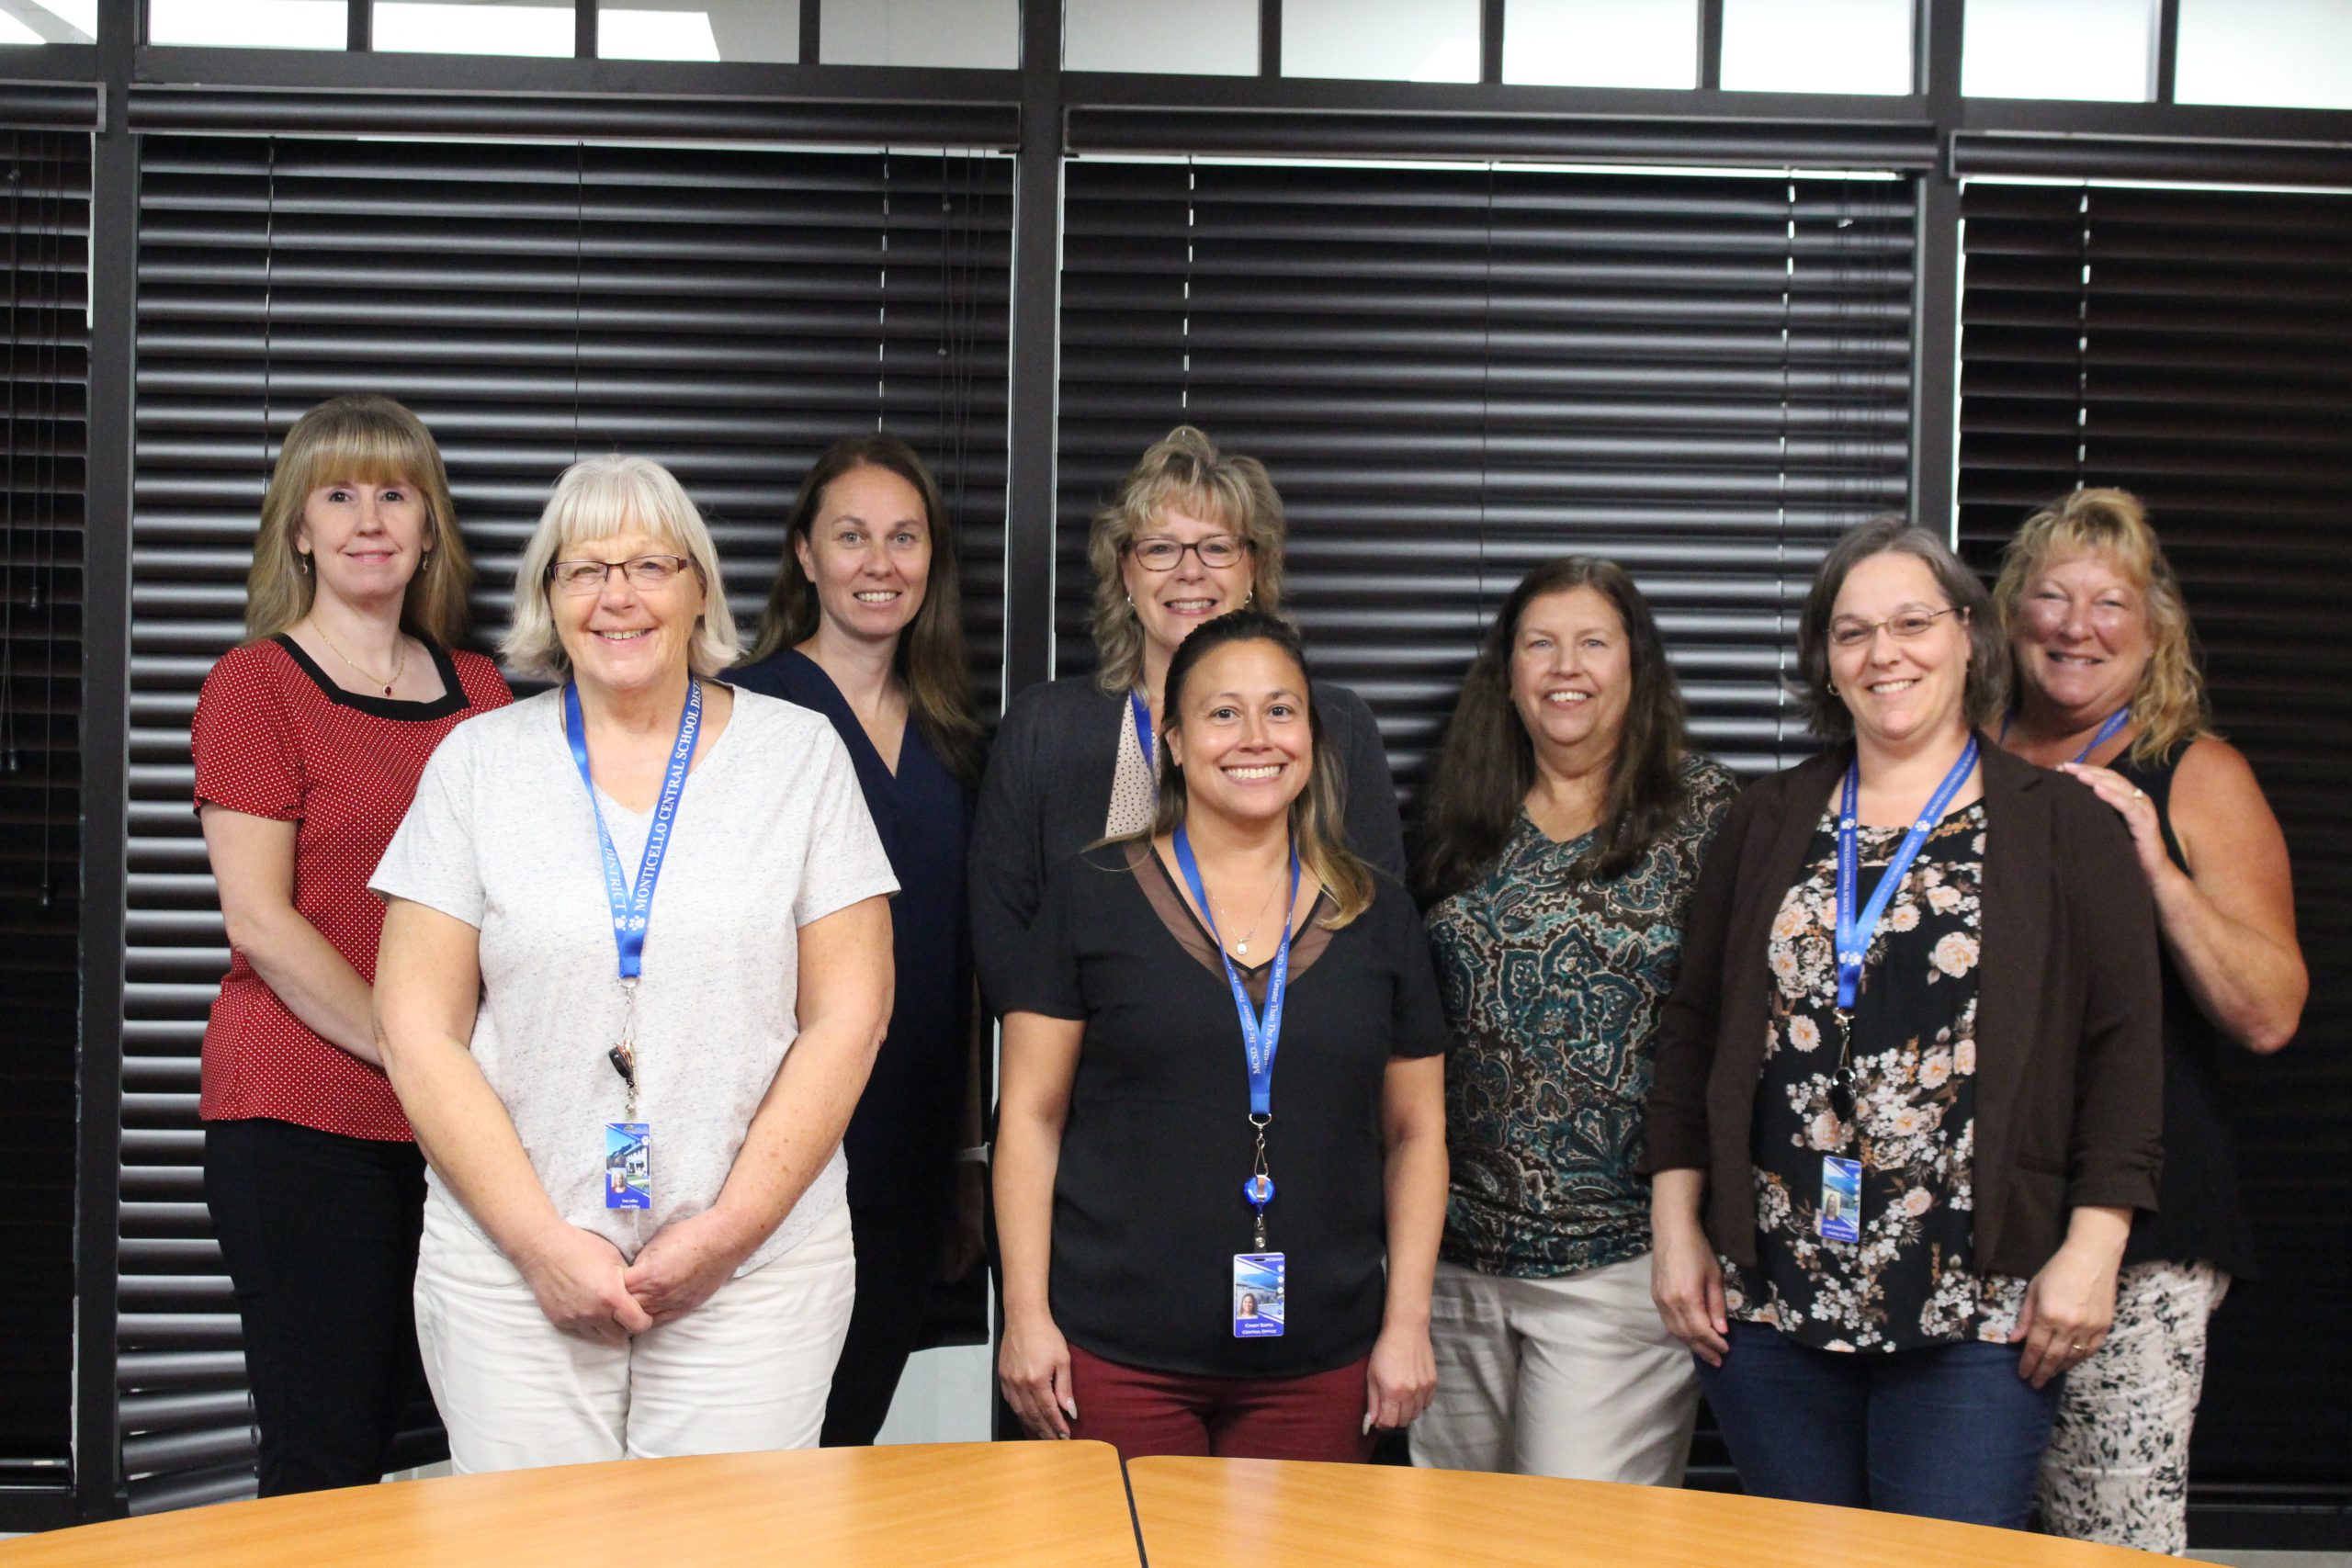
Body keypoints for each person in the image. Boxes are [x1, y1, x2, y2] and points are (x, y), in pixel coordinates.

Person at [370, 455, 897, 1472]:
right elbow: (416, 1029)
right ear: (548, 597)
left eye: (652, 565)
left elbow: (851, 1016)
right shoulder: (477, 766)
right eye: (585, 569)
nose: (619, 596)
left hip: (755, 1275)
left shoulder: (800, 756)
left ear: (698, 587)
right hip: (513, 1277)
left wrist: (726, 1236)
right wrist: (539, 1246)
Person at [1645, 517, 2165, 1529]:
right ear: (1825, 664)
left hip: (1978, 1301)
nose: (1884, 653)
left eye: (1912, 622)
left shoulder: (2064, 825)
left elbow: (2123, 1051)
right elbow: (1693, 1027)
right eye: (1852, 633)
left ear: (1968, 636)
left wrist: (2093, 1248)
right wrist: (1677, 1229)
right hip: (1769, 1297)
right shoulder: (1766, 819)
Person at [993, 610, 1447, 1461]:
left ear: (1313, 733)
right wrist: (1025, 1316)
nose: (1255, 738)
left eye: (1281, 710)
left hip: (1321, 1360)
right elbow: (1029, 1115)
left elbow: (1417, 1132)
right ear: (1173, 738)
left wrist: (1408, 1324)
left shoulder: (1380, 914)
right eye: (1222, 712)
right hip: (1118, 1358)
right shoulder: (1089, 894)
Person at [193, 394, 510, 1495]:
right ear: (299, 529)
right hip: (302, 1117)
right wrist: (415, 1047)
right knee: (326, 1453)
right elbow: (262, 924)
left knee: (451, 1456)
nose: (368, 518)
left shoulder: (480, 695)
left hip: (455, 1126)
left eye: (395, 493)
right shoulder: (257, 686)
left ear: (429, 529)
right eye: (339, 495)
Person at [1992, 488, 2306, 1556]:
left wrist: (2155, 870)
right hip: (1968, 1214)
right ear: (2007, 617)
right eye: (2049, 597)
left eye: (2109, 603)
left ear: (2155, 627)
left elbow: (2266, 1014)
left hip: (2143, 1230)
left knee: (2108, 1535)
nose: (2075, 626)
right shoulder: (1950, 763)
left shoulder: (2194, 775)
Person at [1408, 558, 1737, 1486]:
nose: (1566, 667)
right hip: (1451, 1264)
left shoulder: (1706, 813)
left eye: (1593, 642)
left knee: (1577, 1544)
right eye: (1540, 644)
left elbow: (1727, 1030)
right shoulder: (1455, 814)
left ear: (1636, 667)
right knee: (1448, 1545)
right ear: (1506, 672)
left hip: (1617, 1262)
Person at [968, 425, 1406, 1021]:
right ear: (1125, 573)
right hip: (1088, 1085)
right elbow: (1004, 940)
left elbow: (1374, 926)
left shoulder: (1336, 726)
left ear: (1254, 568)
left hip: (1290, 1073)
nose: (1189, 571)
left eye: (1217, 546)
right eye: (1159, 548)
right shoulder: (1042, 728)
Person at [734, 432, 985, 1447]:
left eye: (904, 538)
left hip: (913, 1146)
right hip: (779, 1140)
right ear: (804, 555)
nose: (880, 565)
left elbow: (971, 965)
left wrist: (968, 1151)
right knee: (758, 1449)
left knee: (846, 1451)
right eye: (851, 537)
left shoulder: (961, 736)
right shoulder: (742, 710)